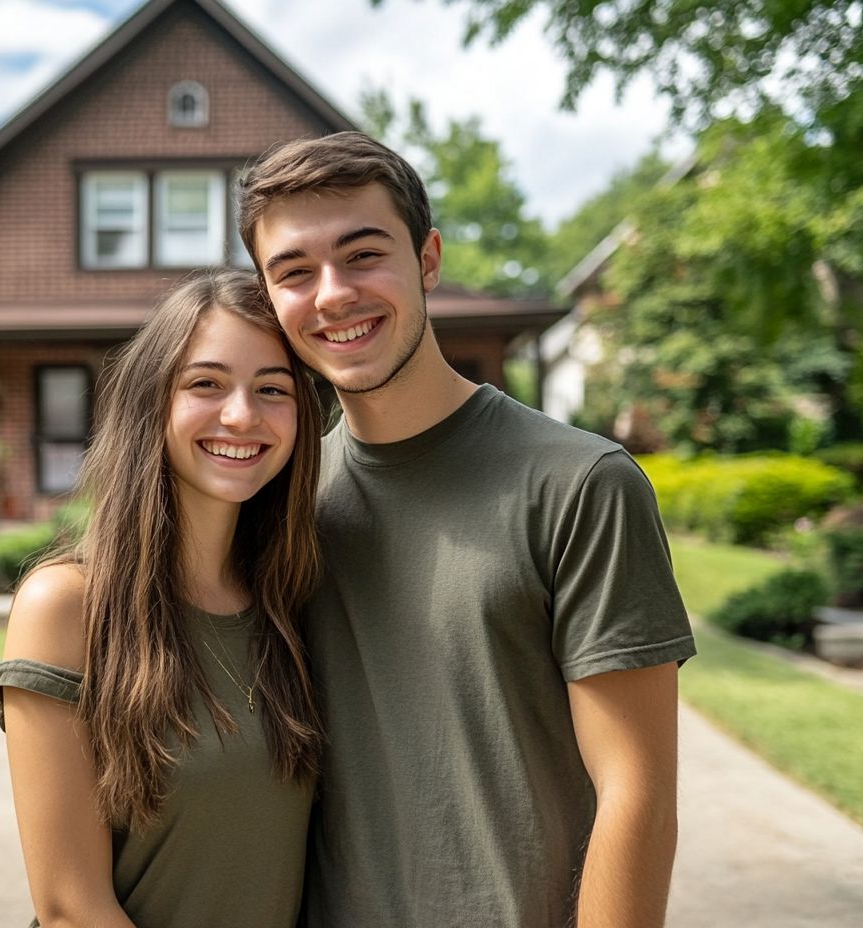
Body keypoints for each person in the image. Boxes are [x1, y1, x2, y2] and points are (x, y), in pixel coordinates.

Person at [237, 132, 697, 928]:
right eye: (295, 272)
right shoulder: (281, 499)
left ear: (428, 259)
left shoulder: (580, 485)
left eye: (363, 254)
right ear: (270, 297)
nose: (333, 294)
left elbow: (639, 796)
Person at [0, 269, 323, 928]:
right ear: (152, 402)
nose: (241, 415)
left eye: (272, 389)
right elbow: (69, 908)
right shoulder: (64, 606)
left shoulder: (291, 603)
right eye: (206, 383)